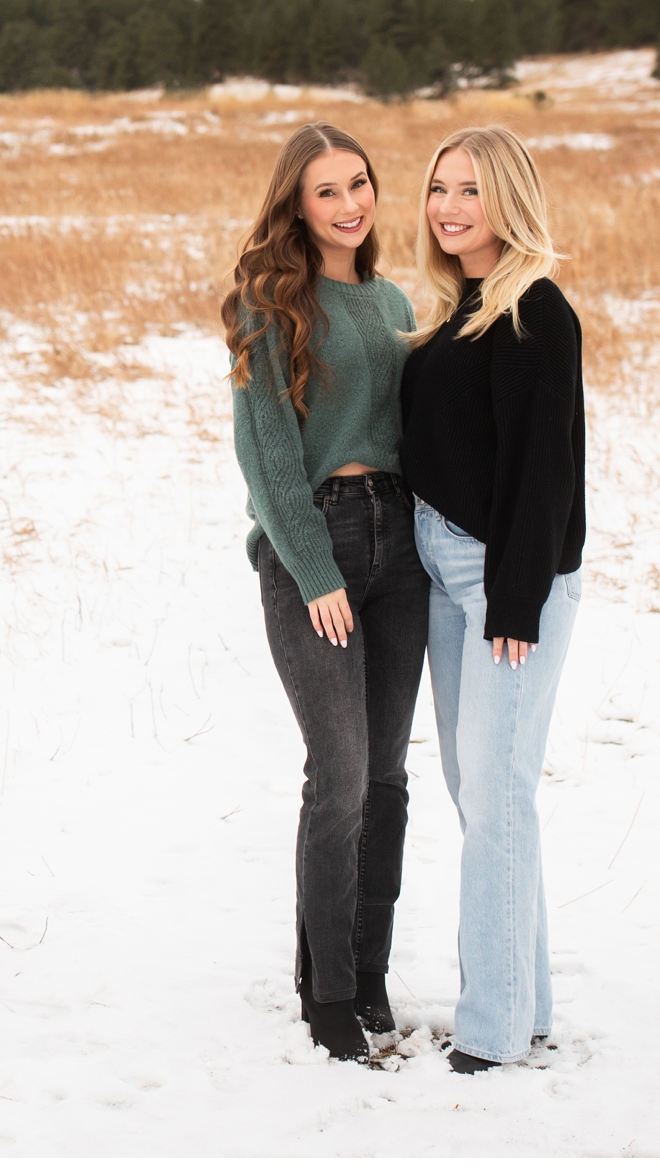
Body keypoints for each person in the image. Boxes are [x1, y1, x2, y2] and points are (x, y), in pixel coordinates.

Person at [224, 122, 427, 1064]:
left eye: (359, 184)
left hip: (402, 548)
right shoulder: (271, 302)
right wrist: (313, 569)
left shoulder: (394, 301)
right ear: (295, 208)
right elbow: (264, 452)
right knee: (338, 774)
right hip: (319, 541)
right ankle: (328, 994)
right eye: (326, 192)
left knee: (386, 777)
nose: (349, 204)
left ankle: (368, 969)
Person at [399, 125, 586, 1074]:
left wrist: (515, 602)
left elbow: (545, 470)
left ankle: (494, 1029)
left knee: (500, 791)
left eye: (470, 190)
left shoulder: (535, 312)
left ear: (507, 198)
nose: (450, 206)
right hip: (442, 568)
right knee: (481, 791)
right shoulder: (458, 304)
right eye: (439, 188)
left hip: (508, 580)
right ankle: (529, 999)